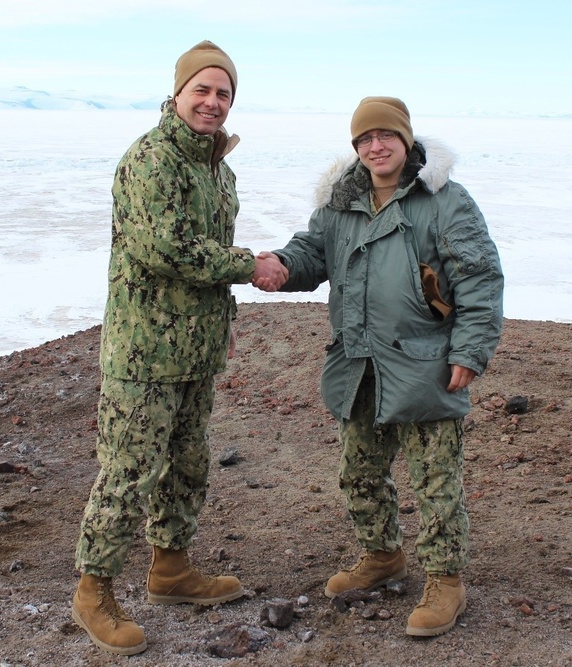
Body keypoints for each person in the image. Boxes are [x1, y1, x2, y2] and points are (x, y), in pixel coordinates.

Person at [255, 96, 504, 637]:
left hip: (424, 363)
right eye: (365, 139)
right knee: (360, 472)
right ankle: (382, 555)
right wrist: (278, 266)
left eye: (385, 136)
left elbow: (479, 276)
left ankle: (445, 579)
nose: (376, 146)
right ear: (356, 147)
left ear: (406, 140)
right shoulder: (340, 204)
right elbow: (310, 254)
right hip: (358, 361)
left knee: (434, 478)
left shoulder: (444, 201)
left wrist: (469, 350)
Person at [71, 40, 287, 656]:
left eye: (224, 94)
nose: (213, 102)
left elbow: (202, 252)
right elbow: (164, 249)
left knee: (186, 465)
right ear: (178, 93)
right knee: (128, 472)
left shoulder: (217, 168)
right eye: (203, 90)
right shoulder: (152, 159)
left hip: (194, 350)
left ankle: (171, 569)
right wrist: (251, 265)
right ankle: (94, 591)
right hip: (144, 354)